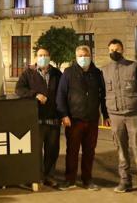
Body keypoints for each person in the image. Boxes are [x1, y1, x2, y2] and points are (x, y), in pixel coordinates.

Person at [102, 39, 137, 198]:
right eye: (111, 50)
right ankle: (125, 181)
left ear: (122, 49)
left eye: (116, 49)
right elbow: (102, 94)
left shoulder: (133, 67)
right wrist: (105, 115)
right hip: (115, 115)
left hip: (133, 114)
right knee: (121, 151)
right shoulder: (104, 70)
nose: (114, 52)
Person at [56, 44, 108, 190]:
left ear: (90, 56)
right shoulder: (68, 73)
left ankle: (87, 180)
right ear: (76, 57)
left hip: (91, 119)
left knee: (89, 151)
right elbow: (61, 95)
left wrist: (105, 114)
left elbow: (103, 95)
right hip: (74, 119)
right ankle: (69, 180)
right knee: (72, 151)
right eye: (80, 56)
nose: (83, 58)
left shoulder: (97, 73)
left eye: (86, 55)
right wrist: (64, 115)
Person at [14, 47, 62, 187]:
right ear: (36, 57)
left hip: (53, 119)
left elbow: (63, 93)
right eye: (40, 55)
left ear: (49, 57)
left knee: (52, 150)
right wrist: (35, 94)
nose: (43, 57)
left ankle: (49, 176)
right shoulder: (28, 73)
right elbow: (19, 89)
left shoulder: (57, 74)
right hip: (36, 119)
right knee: (35, 151)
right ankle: (35, 176)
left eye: (46, 55)